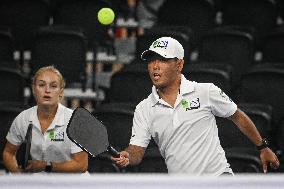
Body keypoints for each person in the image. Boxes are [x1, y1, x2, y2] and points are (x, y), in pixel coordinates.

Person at [111, 37, 280, 175]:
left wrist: (262, 147)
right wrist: (127, 155)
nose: (155, 66)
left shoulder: (205, 91)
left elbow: (237, 116)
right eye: (151, 60)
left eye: (162, 60)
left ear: (179, 65)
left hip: (219, 179)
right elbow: (136, 151)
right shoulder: (144, 108)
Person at [3, 66, 88, 173]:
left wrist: (46, 166)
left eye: (53, 86)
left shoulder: (76, 121)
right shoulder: (23, 118)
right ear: (34, 89)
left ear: (61, 92)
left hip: (72, 184)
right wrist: (18, 175)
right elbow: (8, 153)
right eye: (42, 85)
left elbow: (81, 165)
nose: (47, 90)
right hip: (39, 182)